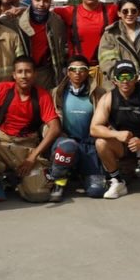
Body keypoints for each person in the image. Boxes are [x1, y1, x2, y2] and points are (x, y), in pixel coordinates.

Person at [0, 56, 62, 203]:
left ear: (35, 74)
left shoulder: (42, 95)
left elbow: (55, 128)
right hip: (1, 142)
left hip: (27, 147)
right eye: (20, 72)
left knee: (39, 195)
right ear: (14, 75)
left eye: (28, 71)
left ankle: (17, 180)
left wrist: (32, 157)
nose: (24, 76)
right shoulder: (1, 89)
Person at [90, 60, 140, 198]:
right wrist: (116, 134)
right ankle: (117, 181)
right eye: (121, 77)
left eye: (129, 76)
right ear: (114, 81)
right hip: (122, 144)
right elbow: (94, 128)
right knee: (100, 142)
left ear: (136, 78)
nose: (125, 81)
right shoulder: (108, 98)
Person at [49, 55, 106, 201]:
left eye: (82, 69)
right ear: (67, 72)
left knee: (97, 191)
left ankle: (81, 173)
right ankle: (59, 181)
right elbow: (49, 122)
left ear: (88, 72)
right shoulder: (57, 92)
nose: (77, 73)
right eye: (73, 69)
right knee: (68, 146)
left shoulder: (99, 93)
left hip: (89, 144)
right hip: (65, 141)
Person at [54, 0, 118, 83]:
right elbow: (42, 11)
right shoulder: (69, 12)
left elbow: (134, 10)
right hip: (78, 72)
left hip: (106, 70)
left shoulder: (111, 10)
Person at [12, 0, 67, 90]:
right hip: (23, 73)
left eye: (46, 1)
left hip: (46, 74)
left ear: (50, 1)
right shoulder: (17, 20)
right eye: (37, 0)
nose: (41, 4)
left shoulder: (57, 22)